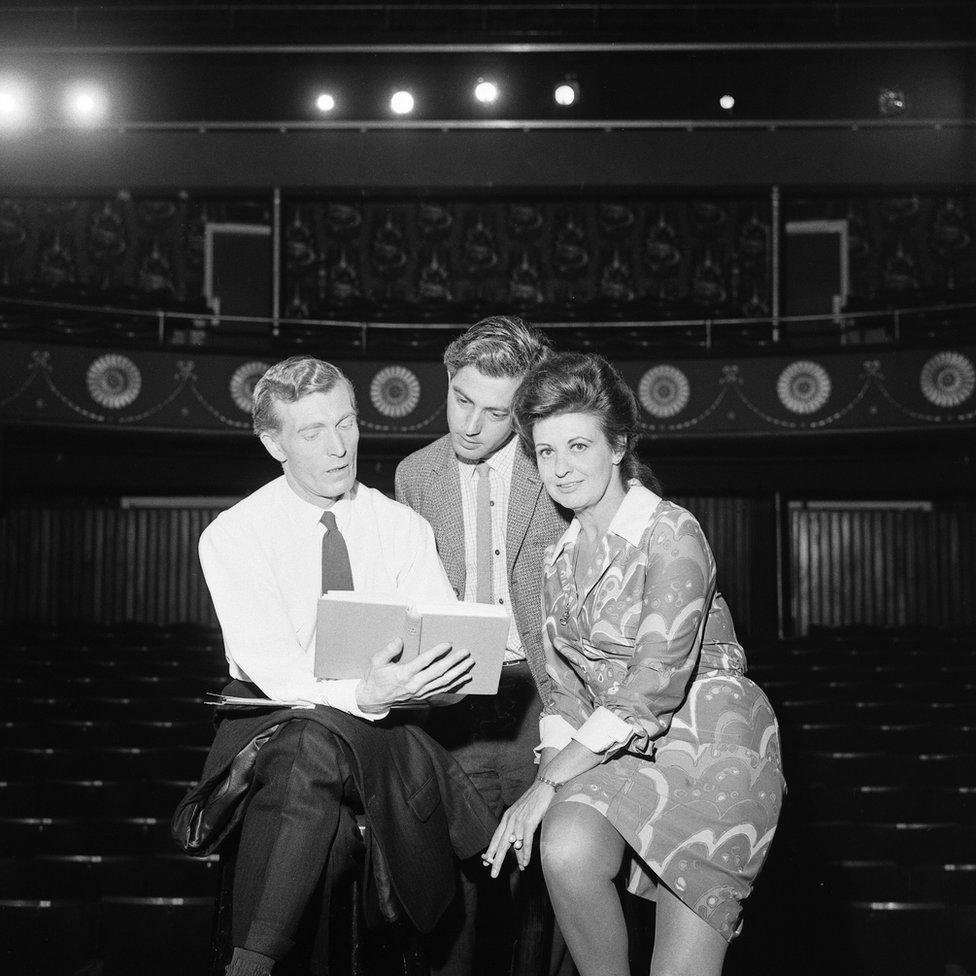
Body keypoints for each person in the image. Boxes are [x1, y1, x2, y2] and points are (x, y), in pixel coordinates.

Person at [176, 356, 496, 976]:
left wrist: (442, 678)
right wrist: (368, 694)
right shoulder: (234, 534)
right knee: (305, 743)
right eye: (312, 432)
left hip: (387, 733)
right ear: (274, 444)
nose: (338, 446)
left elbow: (442, 652)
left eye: (346, 423)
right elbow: (276, 669)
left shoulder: (400, 527)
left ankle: (250, 963)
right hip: (271, 721)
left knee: (309, 750)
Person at [485, 352, 785, 976]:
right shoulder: (554, 561)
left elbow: (654, 684)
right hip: (620, 751)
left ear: (617, 445)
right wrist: (550, 774)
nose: (561, 469)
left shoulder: (672, 531)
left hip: (711, 747)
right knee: (564, 846)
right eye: (545, 452)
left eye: (577, 446)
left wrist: (544, 785)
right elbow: (565, 696)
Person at [395, 316, 571, 976]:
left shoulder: (558, 464)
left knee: (550, 875)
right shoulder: (415, 474)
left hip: (547, 700)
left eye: (495, 412)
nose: (469, 424)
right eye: (460, 399)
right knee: (452, 878)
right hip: (457, 700)